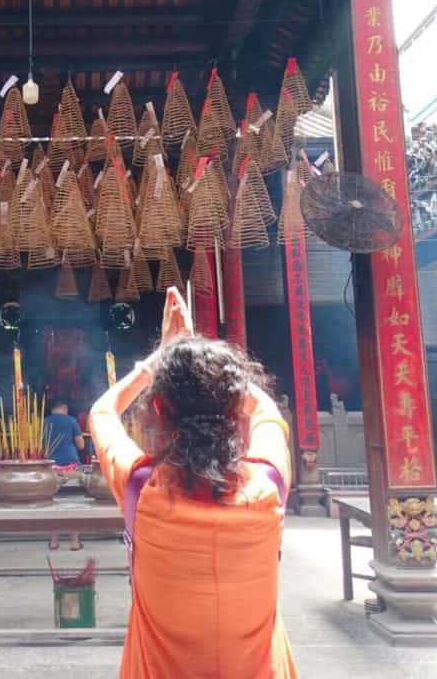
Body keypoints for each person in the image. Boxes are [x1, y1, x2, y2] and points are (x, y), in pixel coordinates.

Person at [89, 287, 296, 678]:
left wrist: (160, 361)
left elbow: (102, 412)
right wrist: (215, 374)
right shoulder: (269, 482)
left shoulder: (142, 488)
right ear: (236, 407)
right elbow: (265, 407)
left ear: (159, 408)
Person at [45, 400, 85, 551]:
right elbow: (81, 445)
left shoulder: (44, 422)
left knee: (52, 502)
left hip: (50, 467)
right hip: (71, 466)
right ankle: (74, 542)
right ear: (65, 408)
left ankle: (54, 541)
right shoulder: (71, 421)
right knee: (73, 502)